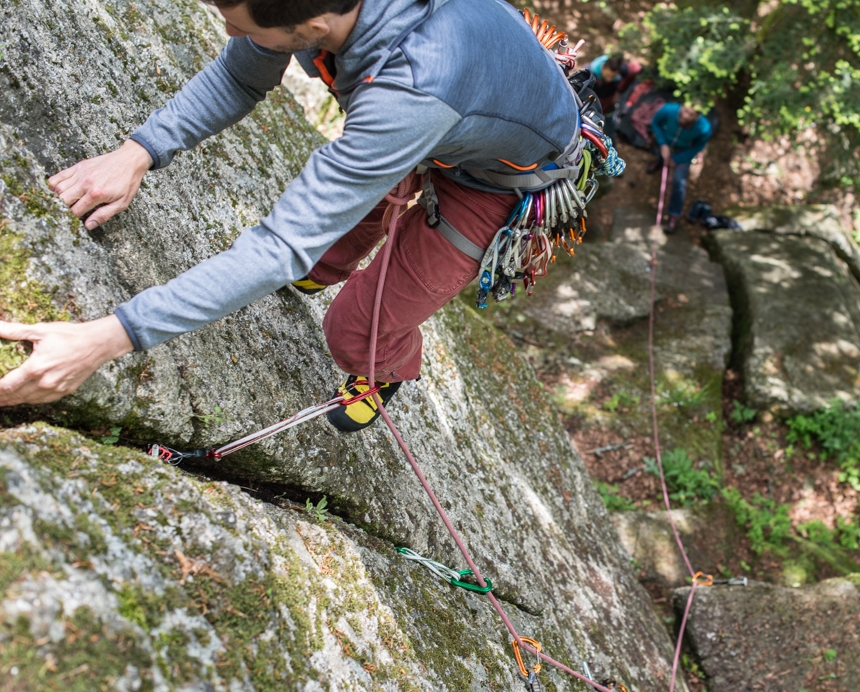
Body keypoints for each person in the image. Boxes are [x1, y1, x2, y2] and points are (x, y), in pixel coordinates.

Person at [0, 0, 580, 432]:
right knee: (329, 239)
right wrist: (137, 152)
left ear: (315, 29)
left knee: (354, 331)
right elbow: (239, 75)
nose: (231, 33)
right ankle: (330, 263)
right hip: (458, 112)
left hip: (504, 177)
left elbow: (280, 246)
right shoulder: (313, 8)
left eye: (244, 28)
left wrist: (105, 339)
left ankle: (387, 368)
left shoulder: (411, 91)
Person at [648, 103, 711, 234]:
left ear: (698, 116)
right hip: (665, 143)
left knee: (678, 182)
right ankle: (659, 161)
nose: (686, 116)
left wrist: (678, 159)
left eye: (691, 114)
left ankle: (673, 215)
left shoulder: (704, 127)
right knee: (660, 153)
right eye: (685, 111)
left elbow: (698, 146)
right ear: (682, 106)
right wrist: (662, 143)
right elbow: (655, 122)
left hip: (682, 152)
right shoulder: (669, 110)